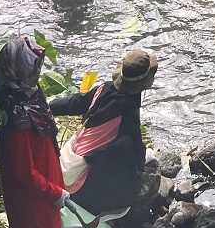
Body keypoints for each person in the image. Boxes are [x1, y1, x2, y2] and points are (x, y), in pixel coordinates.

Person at [51, 50, 158, 216]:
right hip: (79, 187)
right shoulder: (128, 108)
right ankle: (105, 209)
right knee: (129, 155)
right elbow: (135, 152)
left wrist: (47, 107)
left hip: (63, 170)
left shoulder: (103, 88)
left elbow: (75, 103)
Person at [0, 36, 68, 228]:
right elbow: (25, 174)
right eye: (32, 67)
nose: (37, 72)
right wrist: (55, 194)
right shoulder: (17, 120)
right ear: (16, 71)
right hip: (33, 203)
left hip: (46, 191)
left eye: (38, 65)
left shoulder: (30, 95)